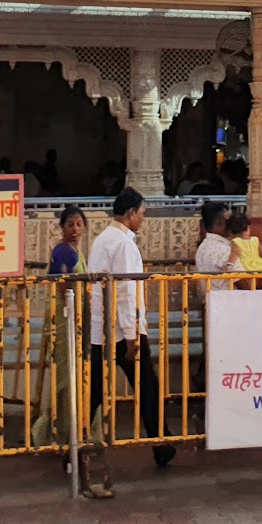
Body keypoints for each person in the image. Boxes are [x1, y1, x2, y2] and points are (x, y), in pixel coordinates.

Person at [87, 189, 175, 468]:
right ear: (130, 214)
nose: (143, 218)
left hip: (99, 327)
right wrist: (132, 334)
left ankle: (73, 446)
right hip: (121, 329)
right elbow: (127, 290)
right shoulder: (124, 244)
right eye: (142, 213)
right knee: (148, 386)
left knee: (95, 390)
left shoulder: (102, 240)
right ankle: (161, 443)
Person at [32, 207, 86, 447]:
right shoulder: (63, 252)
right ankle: (58, 430)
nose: (75, 230)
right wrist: (75, 317)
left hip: (75, 318)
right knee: (66, 375)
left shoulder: (76, 251)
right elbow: (65, 290)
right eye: (70, 225)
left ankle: (70, 427)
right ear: (61, 228)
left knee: (73, 374)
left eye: (79, 224)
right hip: (66, 318)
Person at [195, 200, 233, 280]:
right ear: (220, 222)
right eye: (228, 220)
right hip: (223, 292)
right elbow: (246, 283)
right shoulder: (224, 249)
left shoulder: (202, 247)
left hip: (208, 292)